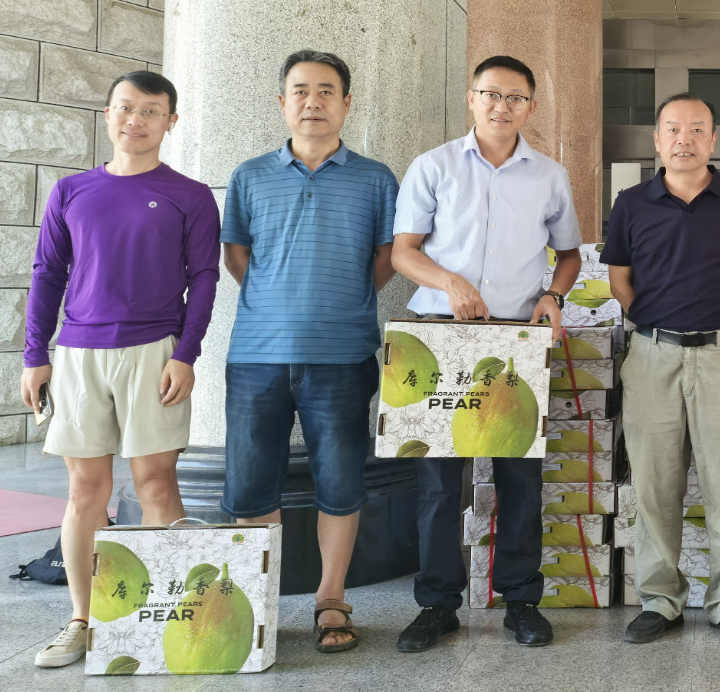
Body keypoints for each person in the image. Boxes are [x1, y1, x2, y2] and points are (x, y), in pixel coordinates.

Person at [24, 71, 220, 668]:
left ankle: (163, 618)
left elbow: (204, 278)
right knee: (86, 489)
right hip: (78, 353)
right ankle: (82, 622)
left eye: (151, 110)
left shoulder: (191, 195)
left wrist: (186, 354)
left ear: (171, 122)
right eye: (126, 108)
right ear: (107, 113)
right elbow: (47, 273)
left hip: (155, 351)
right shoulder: (71, 191)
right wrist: (35, 356)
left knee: (156, 484)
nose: (136, 120)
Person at [391, 55, 582, 650]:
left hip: (515, 338)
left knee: (520, 479)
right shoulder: (434, 166)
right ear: (471, 98)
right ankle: (436, 604)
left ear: (531, 107)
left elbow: (569, 254)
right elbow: (403, 251)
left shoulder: (549, 175)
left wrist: (552, 295)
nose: (502, 106)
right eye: (491, 94)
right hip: (441, 334)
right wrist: (450, 281)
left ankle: (522, 600)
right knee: (438, 483)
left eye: (515, 97)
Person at [220, 50, 400, 652]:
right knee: (251, 486)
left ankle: (331, 598)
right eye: (300, 90)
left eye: (326, 91)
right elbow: (237, 255)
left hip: (343, 355)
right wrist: (276, 300)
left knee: (341, 483)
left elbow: (386, 258)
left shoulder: (376, 179)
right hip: (256, 355)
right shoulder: (249, 176)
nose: (313, 102)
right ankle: (259, 602)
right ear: (282, 103)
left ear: (347, 103)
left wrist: (343, 298)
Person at [603, 92, 720, 646]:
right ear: (657, 140)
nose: (685, 139)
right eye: (673, 129)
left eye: (697, 129)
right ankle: (660, 598)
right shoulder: (632, 202)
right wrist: (657, 322)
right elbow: (620, 279)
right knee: (655, 483)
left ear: (713, 140)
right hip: (652, 354)